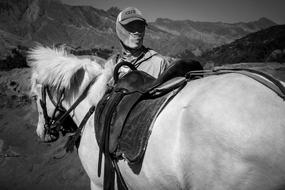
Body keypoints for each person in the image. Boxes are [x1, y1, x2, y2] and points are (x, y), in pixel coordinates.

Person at [113, 7, 169, 78]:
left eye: (140, 27)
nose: (137, 32)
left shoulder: (159, 63)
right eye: (131, 26)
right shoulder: (113, 63)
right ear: (119, 28)